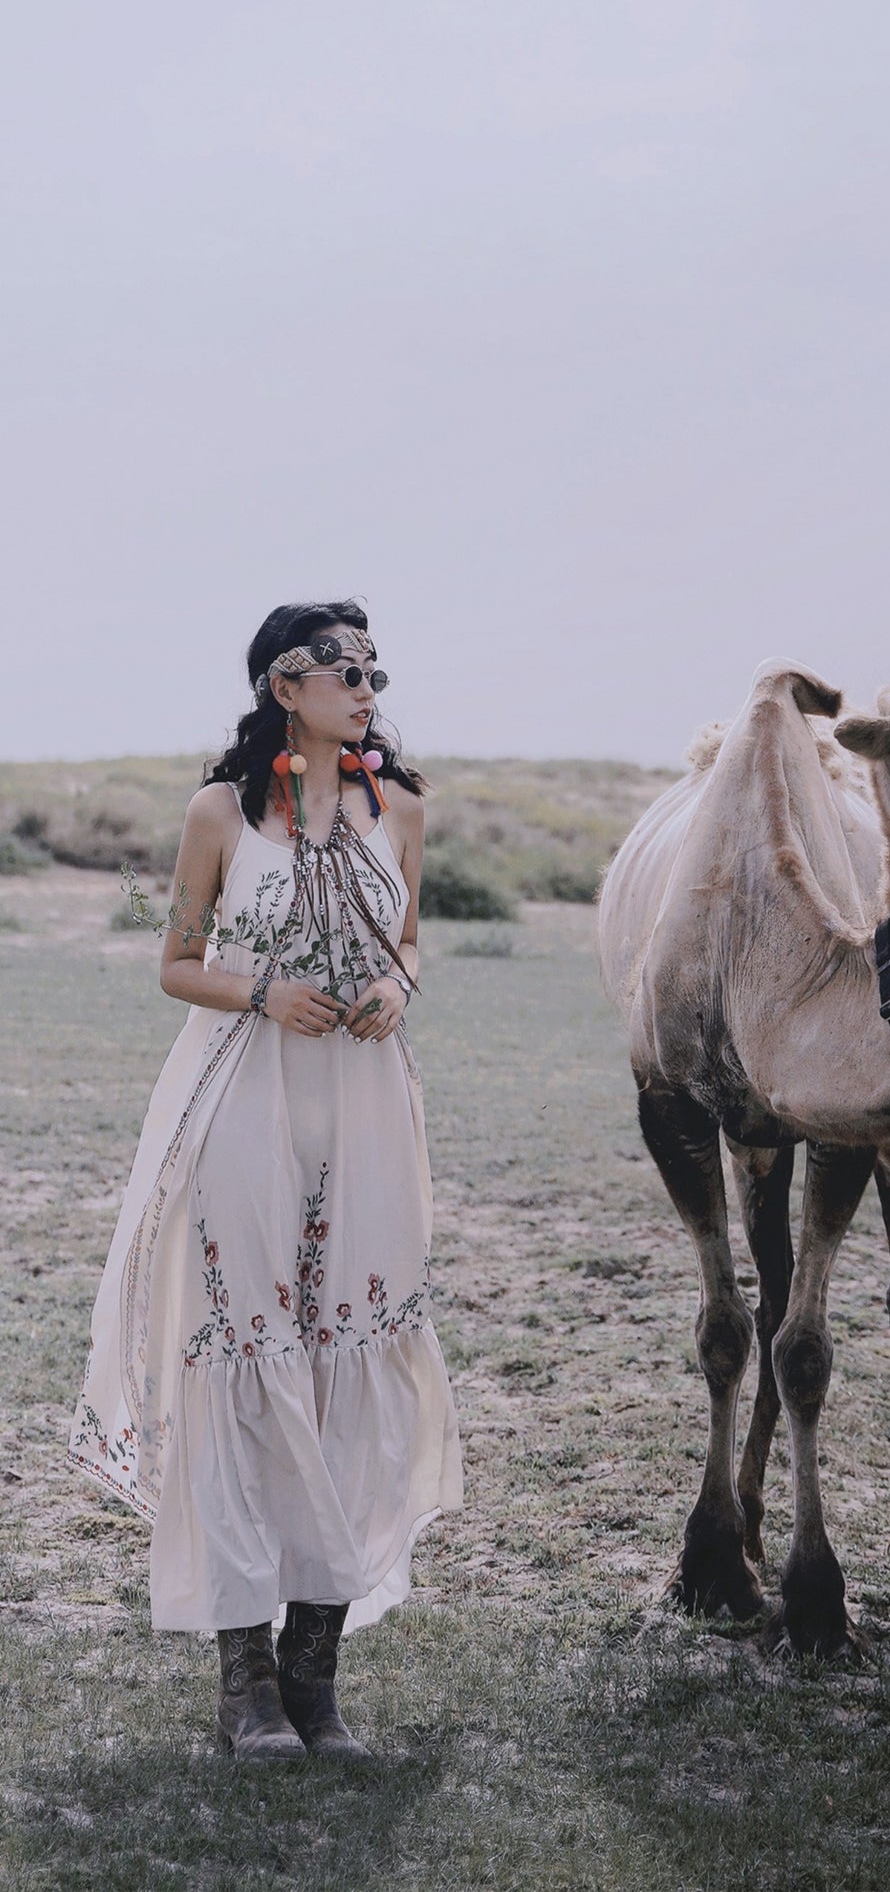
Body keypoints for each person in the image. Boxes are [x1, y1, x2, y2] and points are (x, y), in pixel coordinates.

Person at [69, 601, 463, 1761]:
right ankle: (245, 1686)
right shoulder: (221, 813)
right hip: (242, 1099)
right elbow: (176, 961)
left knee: (351, 1359)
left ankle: (316, 1677)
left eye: (375, 666)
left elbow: (409, 945)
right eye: (346, 666)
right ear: (286, 684)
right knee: (248, 1356)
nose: (368, 683)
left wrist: (395, 989)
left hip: (367, 1107)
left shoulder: (401, 810)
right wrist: (263, 991)